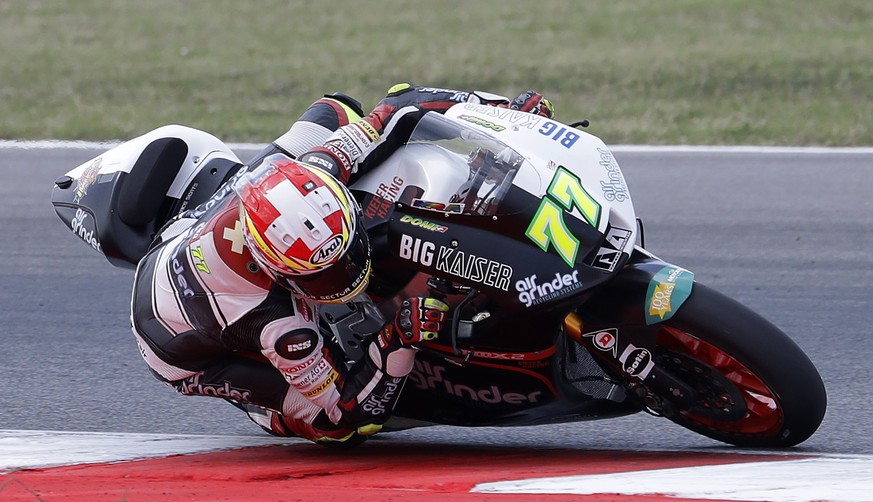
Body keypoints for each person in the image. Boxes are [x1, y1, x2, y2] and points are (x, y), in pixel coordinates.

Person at [129, 84, 554, 445]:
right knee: (331, 429)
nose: (348, 276)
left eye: (344, 257)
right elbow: (350, 411)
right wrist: (397, 341)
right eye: (323, 275)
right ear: (278, 271)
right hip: (181, 342)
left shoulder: (317, 169)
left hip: (219, 220)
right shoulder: (272, 323)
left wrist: (504, 116)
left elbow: (401, 104)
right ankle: (263, 411)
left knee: (338, 110)